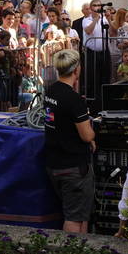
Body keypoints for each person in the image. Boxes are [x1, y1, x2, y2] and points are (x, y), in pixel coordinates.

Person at [43, 49, 95, 234]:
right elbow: (86, 135)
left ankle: (82, 247)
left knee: (79, 214)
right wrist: (92, 135)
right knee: (74, 217)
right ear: (76, 69)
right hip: (73, 167)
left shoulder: (50, 91)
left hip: (54, 162)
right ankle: (71, 250)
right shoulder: (74, 99)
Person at [82, 0, 113, 98]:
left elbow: (113, 33)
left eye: (99, 5)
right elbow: (88, 31)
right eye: (95, 5)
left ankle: (105, 98)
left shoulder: (104, 19)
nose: (97, 7)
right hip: (92, 53)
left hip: (104, 52)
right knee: (93, 77)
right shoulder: (86, 20)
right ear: (91, 8)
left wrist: (109, 19)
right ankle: (93, 99)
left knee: (106, 75)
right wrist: (96, 19)